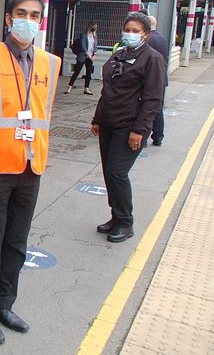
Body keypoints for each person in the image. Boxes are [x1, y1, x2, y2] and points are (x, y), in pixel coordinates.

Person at [0, 0, 61, 345]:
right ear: (9, 18)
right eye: (21, 13)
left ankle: (5, 303)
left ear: (41, 21)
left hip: (32, 166)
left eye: (35, 15)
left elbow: (44, 113)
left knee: (16, 242)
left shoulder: (51, 63)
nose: (27, 20)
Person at [91, 12, 165, 243]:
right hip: (109, 123)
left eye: (136, 31)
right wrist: (97, 118)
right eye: (127, 30)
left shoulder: (152, 59)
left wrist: (141, 130)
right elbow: (107, 91)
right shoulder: (119, 55)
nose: (130, 34)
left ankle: (125, 222)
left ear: (146, 34)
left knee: (117, 172)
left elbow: (153, 99)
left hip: (130, 126)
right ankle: (116, 216)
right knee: (109, 172)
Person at [146, 15, 169, 146]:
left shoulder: (148, 39)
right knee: (158, 108)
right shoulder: (162, 38)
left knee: (147, 107)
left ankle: (144, 137)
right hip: (161, 79)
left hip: (150, 79)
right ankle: (158, 136)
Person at [65, 20, 98, 95]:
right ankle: (70, 86)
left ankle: (86, 88)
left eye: (96, 27)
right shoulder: (83, 35)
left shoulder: (94, 36)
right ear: (91, 26)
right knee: (77, 71)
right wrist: (89, 56)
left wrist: (94, 54)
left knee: (89, 72)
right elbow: (83, 46)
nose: (95, 28)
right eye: (94, 26)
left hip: (90, 57)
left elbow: (95, 46)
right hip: (82, 56)